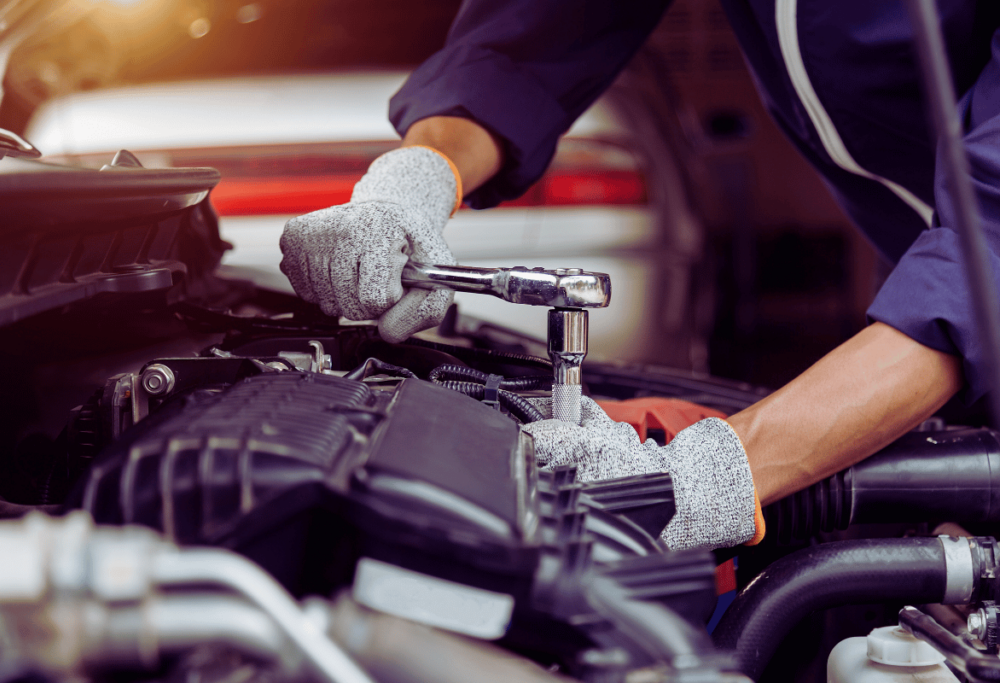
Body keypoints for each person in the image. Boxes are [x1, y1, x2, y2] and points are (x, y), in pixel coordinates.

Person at [280, 0, 1000, 551]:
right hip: (937, 309)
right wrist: (417, 178)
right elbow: (529, 40)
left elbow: (986, 257)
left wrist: (711, 474)